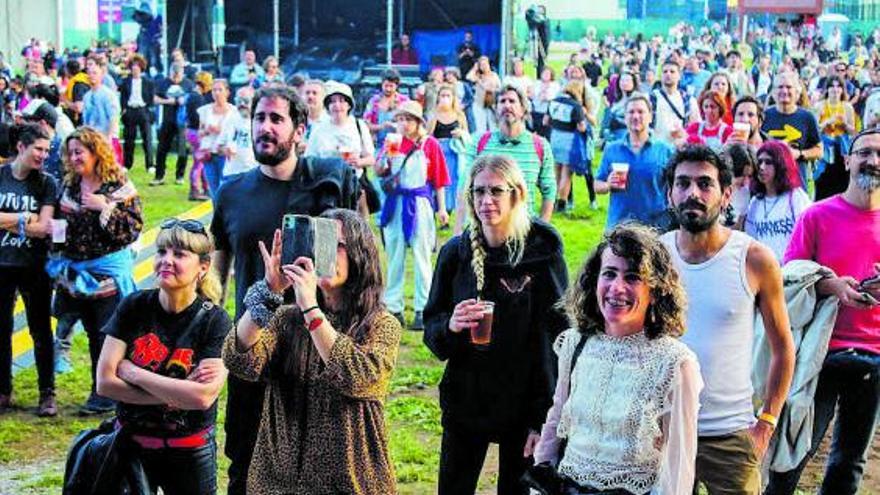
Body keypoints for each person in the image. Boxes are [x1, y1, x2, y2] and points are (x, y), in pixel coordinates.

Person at [210, 85, 357, 495]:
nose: (266, 128)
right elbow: (219, 268)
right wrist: (210, 327)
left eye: (277, 119)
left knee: (317, 466)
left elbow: (350, 264)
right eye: (260, 118)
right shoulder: (231, 192)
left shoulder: (327, 185)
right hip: (253, 344)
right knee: (244, 459)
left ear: (299, 128)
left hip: (314, 346)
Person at [222, 208, 401, 494]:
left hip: (351, 482)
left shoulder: (382, 325)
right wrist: (268, 293)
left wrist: (311, 309)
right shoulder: (286, 319)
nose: (324, 252)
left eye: (335, 243)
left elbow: (357, 376)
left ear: (359, 253)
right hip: (279, 482)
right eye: (317, 242)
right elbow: (238, 359)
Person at [423, 154, 568, 495]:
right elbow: (433, 332)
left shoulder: (541, 253)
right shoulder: (455, 254)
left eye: (496, 192)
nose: (487, 201)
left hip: (521, 402)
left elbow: (557, 340)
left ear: (516, 194)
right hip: (466, 399)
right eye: (479, 192)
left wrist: (542, 419)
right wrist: (451, 326)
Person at [660, 144, 795, 494]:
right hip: (665, 432)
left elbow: (783, 348)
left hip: (732, 433)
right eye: (683, 183)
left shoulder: (753, 258)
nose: (693, 193)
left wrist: (766, 423)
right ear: (669, 192)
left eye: (705, 184)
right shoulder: (654, 257)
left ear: (726, 193)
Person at [533, 223, 702, 494]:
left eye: (633, 277)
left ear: (656, 290)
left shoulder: (675, 363)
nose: (617, 287)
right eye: (609, 273)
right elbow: (556, 418)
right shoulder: (575, 343)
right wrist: (539, 481)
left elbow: (678, 464)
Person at [764, 129, 880, 495]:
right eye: (864, 152)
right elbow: (789, 279)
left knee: (850, 462)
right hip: (819, 353)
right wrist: (833, 286)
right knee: (793, 451)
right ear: (847, 160)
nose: (873, 161)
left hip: (875, 356)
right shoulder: (818, 216)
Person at [95, 218, 230, 494]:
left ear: (203, 268)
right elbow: (105, 383)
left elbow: (202, 397)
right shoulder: (133, 306)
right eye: (162, 252)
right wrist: (177, 395)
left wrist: (134, 373)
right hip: (130, 449)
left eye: (179, 254)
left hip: (189, 453)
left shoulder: (215, 321)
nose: (166, 260)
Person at [48, 126, 144, 414]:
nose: (74, 158)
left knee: (106, 337)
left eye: (80, 152)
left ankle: (106, 396)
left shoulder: (118, 185)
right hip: (76, 276)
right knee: (83, 330)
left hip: (107, 279)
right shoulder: (69, 185)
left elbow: (133, 229)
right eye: (71, 153)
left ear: (95, 152)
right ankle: (100, 390)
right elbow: (59, 224)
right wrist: (56, 244)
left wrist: (104, 207)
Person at [376, 101, 449, 329]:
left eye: (409, 119)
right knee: (394, 254)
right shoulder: (392, 142)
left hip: (420, 203)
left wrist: (442, 208)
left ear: (418, 122)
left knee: (422, 255)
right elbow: (379, 171)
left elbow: (439, 180)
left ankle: (422, 308)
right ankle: (393, 307)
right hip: (396, 202)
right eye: (400, 119)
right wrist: (385, 159)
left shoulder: (429, 145)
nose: (404, 124)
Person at [0, 123, 57, 416]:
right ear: (21, 147)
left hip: (35, 266)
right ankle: (3, 389)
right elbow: (33, 224)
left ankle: (47, 392)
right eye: (38, 149)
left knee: (41, 331)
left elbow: (45, 228)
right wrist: (24, 217)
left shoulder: (46, 183)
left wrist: (7, 221)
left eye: (47, 150)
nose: (43, 156)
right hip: (2, 264)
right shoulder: (1, 176)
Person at [455, 84, 556, 232]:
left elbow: (549, 191)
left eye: (512, 101)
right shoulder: (479, 142)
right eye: (502, 101)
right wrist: (458, 231)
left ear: (523, 109)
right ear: (496, 109)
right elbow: (464, 187)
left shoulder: (540, 145)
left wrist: (542, 231)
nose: (507, 105)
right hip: (485, 231)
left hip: (523, 231)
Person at [596, 93, 675, 230]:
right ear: (625, 117)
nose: (636, 116)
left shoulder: (665, 150)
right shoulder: (612, 149)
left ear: (650, 117)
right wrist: (608, 184)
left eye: (641, 112)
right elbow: (597, 185)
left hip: (655, 227)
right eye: (631, 112)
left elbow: (675, 187)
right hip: (619, 226)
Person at [305, 81, 376, 217]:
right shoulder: (319, 128)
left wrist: (359, 162)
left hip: (354, 184)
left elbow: (371, 158)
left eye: (342, 101)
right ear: (328, 106)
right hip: (327, 185)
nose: (337, 106)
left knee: (356, 226)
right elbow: (309, 158)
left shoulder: (358, 125)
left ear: (349, 104)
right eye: (333, 102)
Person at [743, 141, 811, 261]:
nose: (762, 167)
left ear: (781, 165)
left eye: (768, 162)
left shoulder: (796, 197)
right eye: (759, 162)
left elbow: (809, 238)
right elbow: (751, 242)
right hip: (766, 273)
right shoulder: (755, 202)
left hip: (793, 272)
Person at [762, 71, 823, 188]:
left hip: (798, 185)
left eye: (789, 87)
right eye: (780, 87)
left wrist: (798, 154)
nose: (784, 91)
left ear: (797, 92)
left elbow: (819, 150)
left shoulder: (807, 117)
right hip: (769, 186)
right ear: (773, 92)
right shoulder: (763, 116)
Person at [547, 80, 591, 213]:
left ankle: (551, 199)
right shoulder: (575, 106)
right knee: (567, 173)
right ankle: (562, 203)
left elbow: (546, 120)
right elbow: (582, 127)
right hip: (569, 140)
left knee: (556, 172)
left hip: (554, 138)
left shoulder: (554, 101)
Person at [427, 83, 470, 215]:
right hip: (438, 151)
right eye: (442, 95)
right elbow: (428, 135)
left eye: (448, 96)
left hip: (454, 152)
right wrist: (434, 117)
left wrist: (461, 134)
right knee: (438, 181)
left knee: (452, 181)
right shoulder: (433, 115)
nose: (445, 98)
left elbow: (467, 134)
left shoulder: (459, 115)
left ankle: (450, 208)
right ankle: (438, 207)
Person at [815, 75, 857, 200]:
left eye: (838, 86)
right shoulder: (819, 106)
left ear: (842, 90)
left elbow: (853, 132)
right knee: (823, 179)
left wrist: (844, 124)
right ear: (827, 89)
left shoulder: (847, 107)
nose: (835, 89)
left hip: (841, 149)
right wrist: (827, 122)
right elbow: (815, 130)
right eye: (832, 86)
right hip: (825, 149)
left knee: (842, 179)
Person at [153, 63, 194, 186]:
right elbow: (155, 99)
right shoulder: (163, 83)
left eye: (178, 76)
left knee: (183, 149)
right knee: (162, 148)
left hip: (182, 121)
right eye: (174, 76)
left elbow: (193, 98)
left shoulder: (188, 84)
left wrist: (185, 100)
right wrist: (168, 101)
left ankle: (180, 175)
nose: (176, 79)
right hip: (168, 120)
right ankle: (159, 175)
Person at [196, 79, 238, 200]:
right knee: (214, 190)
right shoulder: (205, 110)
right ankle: (217, 217)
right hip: (209, 154)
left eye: (220, 89)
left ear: (227, 92)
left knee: (226, 188)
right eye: (214, 90)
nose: (217, 93)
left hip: (226, 154)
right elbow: (200, 133)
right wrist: (208, 130)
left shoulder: (234, 112)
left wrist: (223, 132)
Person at [119, 53, 154, 172]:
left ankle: (150, 165)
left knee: (147, 139)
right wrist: (124, 110)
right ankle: (127, 164)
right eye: (133, 66)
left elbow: (150, 97)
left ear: (141, 68)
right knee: (129, 139)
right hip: (130, 111)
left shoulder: (148, 82)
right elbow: (123, 97)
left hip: (143, 110)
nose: (135, 69)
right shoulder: (125, 82)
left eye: (137, 66)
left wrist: (148, 110)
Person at [651, 60, 699, 143]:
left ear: (679, 75)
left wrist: (685, 134)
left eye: (672, 71)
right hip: (657, 147)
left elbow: (695, 126)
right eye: (665, 71)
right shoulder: (651, 98)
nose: (668, 74)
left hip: (680, 148)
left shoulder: (688, 100)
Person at [184, 71, 213, 201]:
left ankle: (205, 188)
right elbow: (198, 118)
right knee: (199, 162)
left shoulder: (191, 96)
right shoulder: (198, 98)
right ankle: (194, 190)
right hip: (197, 132)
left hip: (191, 131)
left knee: (200, 161)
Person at [364, 69, 409, 148]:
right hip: (377, 146)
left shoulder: (404, 102)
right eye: (386, 85)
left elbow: (411, 125)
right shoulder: (374, 101)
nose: (388, 89)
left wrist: (396, 126)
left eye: (391, 86)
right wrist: (382, 126)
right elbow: (365, 125)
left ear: (397, 86)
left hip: (399, 146)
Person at [722, 143, 756, 229]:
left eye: (749, 176)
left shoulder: (745, 193)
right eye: (740, 175)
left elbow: (738, 226)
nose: (745, 182)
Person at [601, 71, 638, 146]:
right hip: (613, 138)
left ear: (633, 83)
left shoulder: (637, 98)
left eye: (627, 80)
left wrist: (617, 121)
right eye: (622, 80)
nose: (624, 83)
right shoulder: (617, 100)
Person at [467, 56, 502, 134]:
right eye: (482, 65)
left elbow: (500, 88)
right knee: (480, 126)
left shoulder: (494, 75)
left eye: (485, 64)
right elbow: (468, 77)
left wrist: (491, 89)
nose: (484, 66)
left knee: (493, 125)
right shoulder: (478, 76)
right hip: (479, 103)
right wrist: (475, 67)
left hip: (491, 103)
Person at [530, 67, 559, 139]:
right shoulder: (536, 83)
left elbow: (553, 98)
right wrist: (541, 93)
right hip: (537, 112)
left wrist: (546, 96)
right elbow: (534, 96)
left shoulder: (555, 85)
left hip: (549, 113)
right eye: (544, 73)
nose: (545, 75)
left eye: (548, 73)